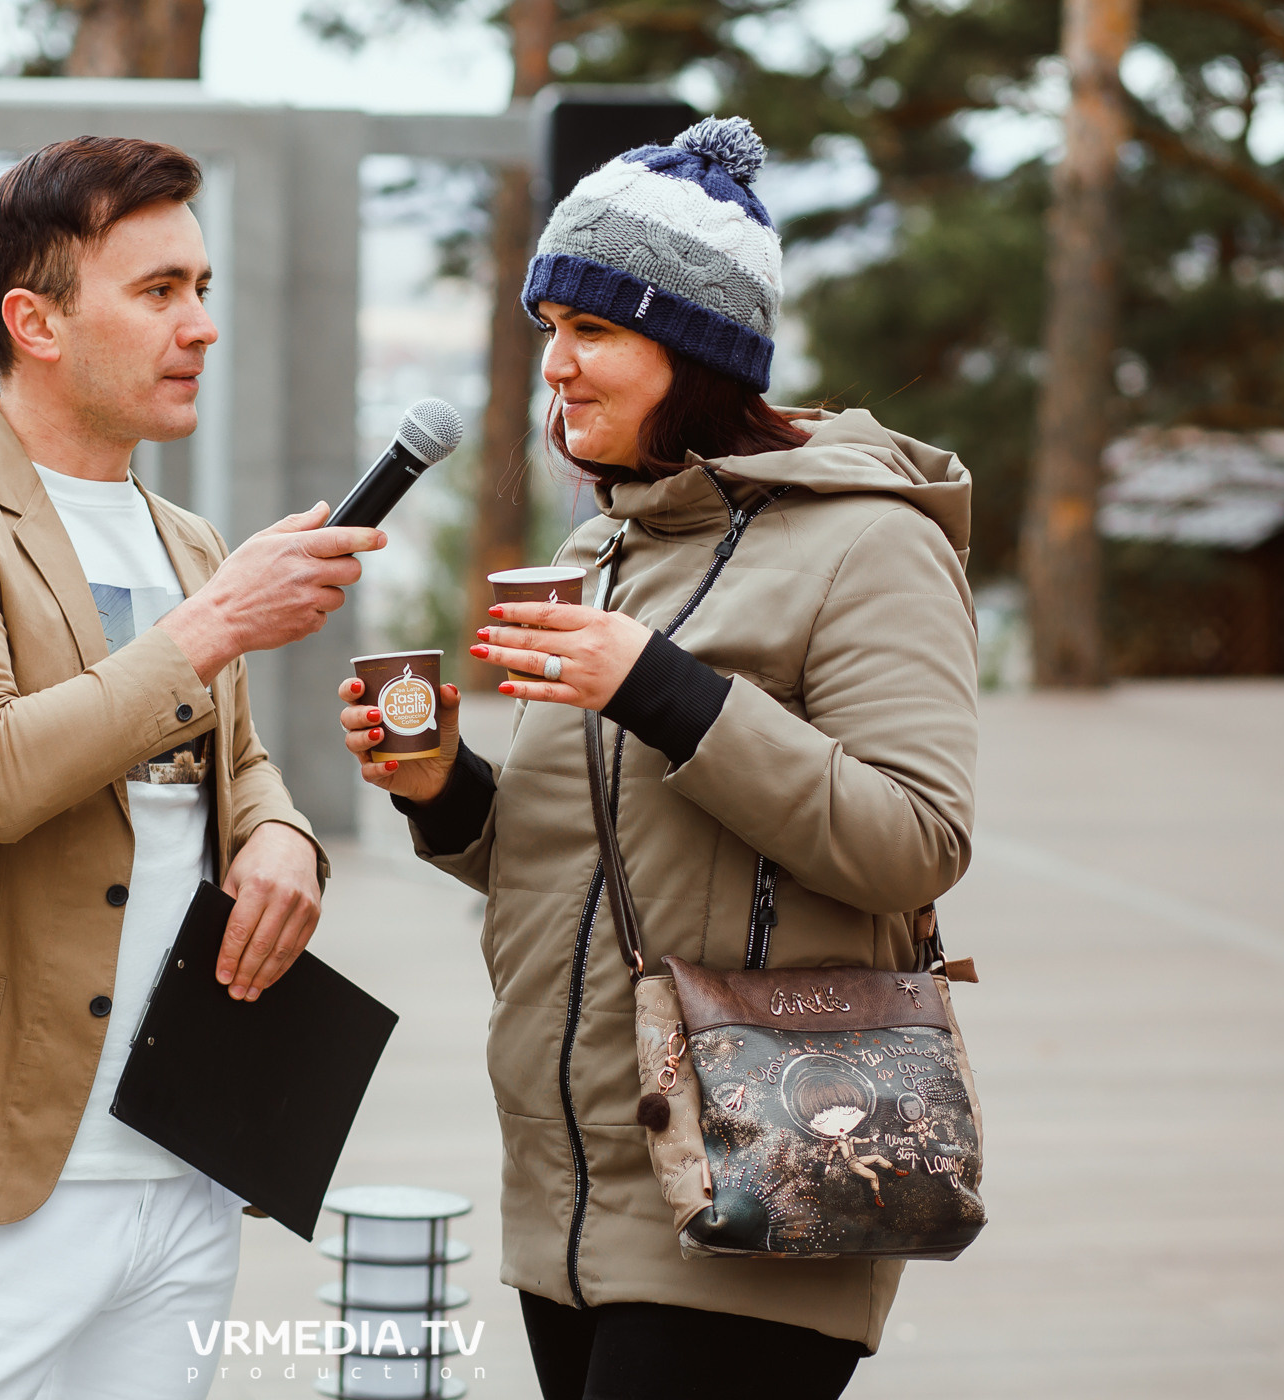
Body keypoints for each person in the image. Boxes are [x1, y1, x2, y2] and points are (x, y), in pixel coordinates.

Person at [335, 116, 978, 1400]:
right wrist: (445, 789)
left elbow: (916, 837)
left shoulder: (868, 545)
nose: (557, 369)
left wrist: (664, 689)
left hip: (767, 1149)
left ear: (693, 350)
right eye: (548, 332)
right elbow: (583, 866)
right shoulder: (600, 556)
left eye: (595, 333)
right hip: (570, 1182)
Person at [0, 135, 384, 1400]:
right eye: (158, 291)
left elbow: (230, 762)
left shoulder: (187, 541)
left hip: (184, 1152)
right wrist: (220, 622)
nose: (201, 326)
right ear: (36, 322)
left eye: (203, 285)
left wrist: (284, 833)